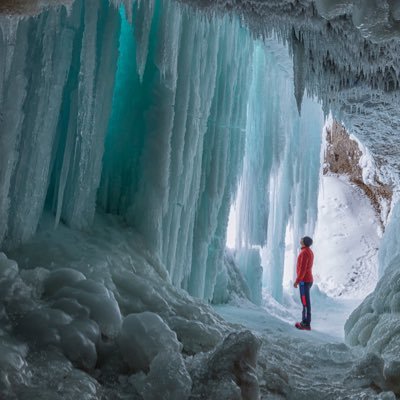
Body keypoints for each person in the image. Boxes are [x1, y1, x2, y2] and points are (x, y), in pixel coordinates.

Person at [294, 236, 314, 331]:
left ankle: (305, 324)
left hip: (304, 281)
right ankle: (305, 322)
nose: (300, 239)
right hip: (307, 280)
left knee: (305, 303)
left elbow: (302, 269)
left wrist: (297, 281)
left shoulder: (304, 253)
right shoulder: (309, 251)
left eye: (302, 239)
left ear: (304, 242)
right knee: (306, 302)